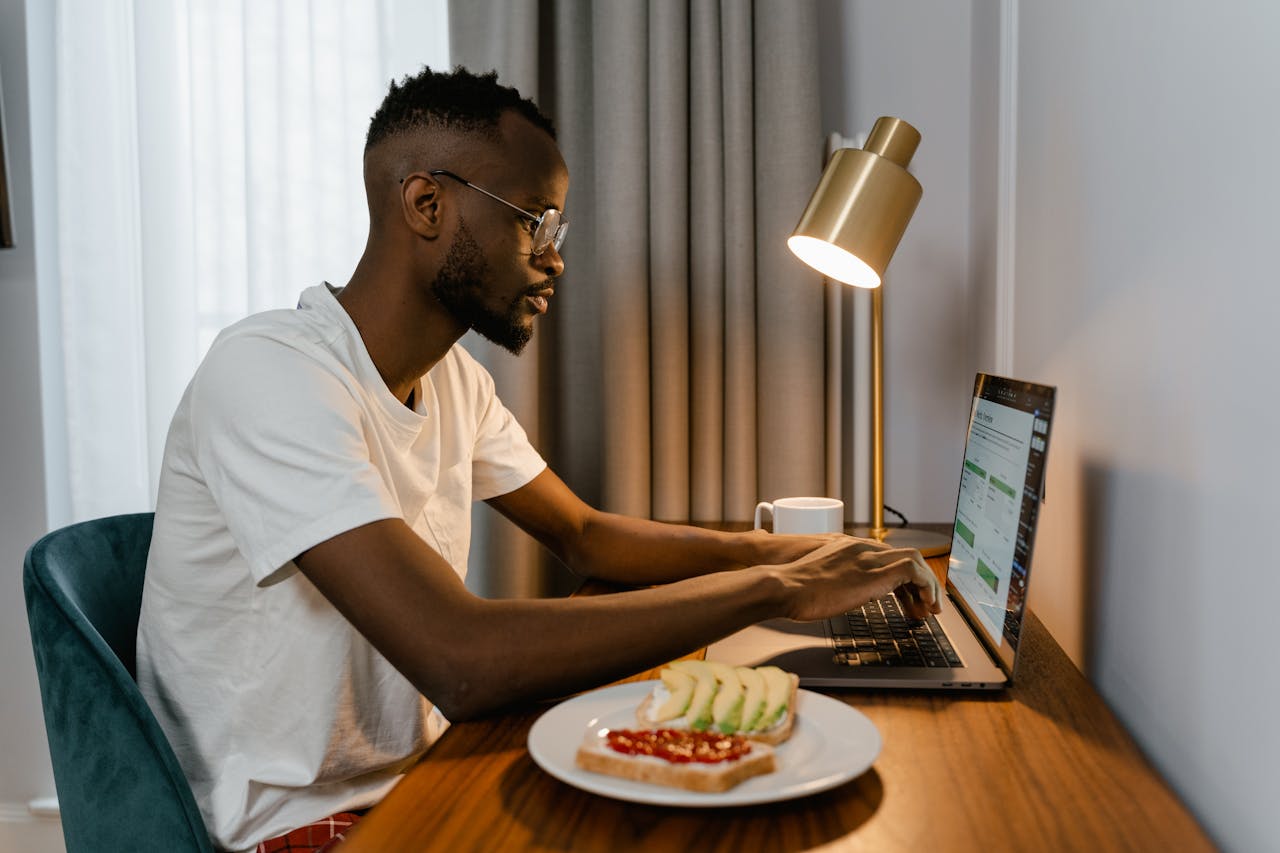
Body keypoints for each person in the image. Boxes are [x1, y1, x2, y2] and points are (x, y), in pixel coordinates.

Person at [136, 65, 940, 852]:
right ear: (427, 204)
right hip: (296, 825)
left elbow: (586, 534)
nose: (554, 258)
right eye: (534, 220)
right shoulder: (268, 372)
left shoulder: (452, 378)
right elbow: (461, 660)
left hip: (418, 774)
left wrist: (807, 554)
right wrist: (776, 588)